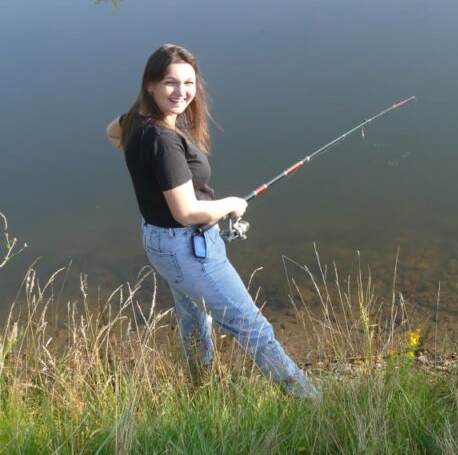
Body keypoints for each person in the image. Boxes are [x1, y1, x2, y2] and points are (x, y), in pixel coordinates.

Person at [107, 44, 321, 400]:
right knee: (253, 328)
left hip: (159, 241)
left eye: (188, 83)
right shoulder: (163, 140)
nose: (181, 92)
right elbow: (187, 212)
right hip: (185, 247)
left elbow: (112, 134)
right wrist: (231, 204)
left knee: (194, 321)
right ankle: (312, 404)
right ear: (150, 85)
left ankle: (199, 391)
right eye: (170, 83)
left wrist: (147, 171)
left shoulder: (135, 121)